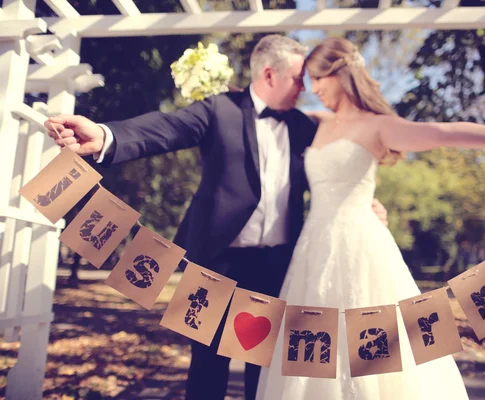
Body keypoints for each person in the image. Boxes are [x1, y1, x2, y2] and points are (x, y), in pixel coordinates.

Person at [44, 34, 388, 400]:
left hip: (276, 263)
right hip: (216, 262)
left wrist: (365, 201)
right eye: (298, 79)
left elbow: (338, 168)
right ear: (270, 75)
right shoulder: (218, 110)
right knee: (206, 363)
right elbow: (165, 129)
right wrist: (104, 135)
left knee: (265, 368)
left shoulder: (305, 127)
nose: (304, 88)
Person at [256, 37, 485, 400]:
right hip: (313, 250)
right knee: (310, 347)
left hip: (362, 247)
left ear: (340, 73)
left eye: (317, 78)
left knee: (379, 345)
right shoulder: (315, 122)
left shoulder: (379, 126)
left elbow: (443, 134)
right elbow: (257, 108)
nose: (312, 89)